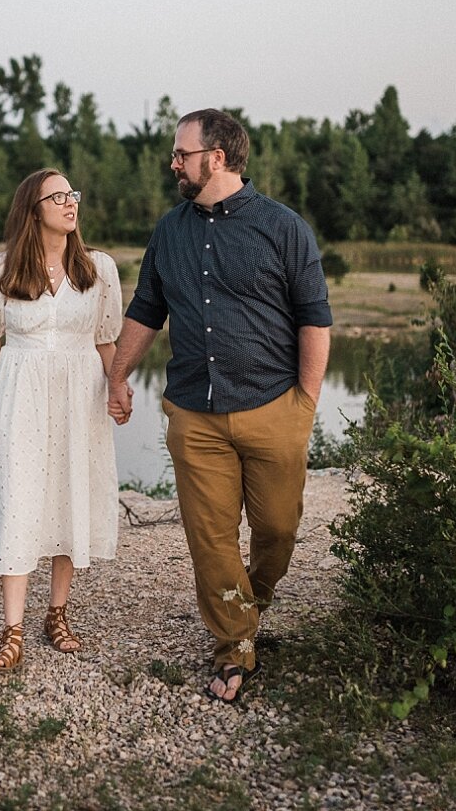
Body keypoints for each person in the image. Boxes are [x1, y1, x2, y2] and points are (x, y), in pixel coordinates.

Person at [106, 108, 331, 703]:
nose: (173, 163)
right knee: (210, 539)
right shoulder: (170, 229)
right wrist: (117, 376)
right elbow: (146, 309)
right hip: (194, 414)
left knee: (278, 530)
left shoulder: (284, 229)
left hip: (274, 406)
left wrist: (305, 404)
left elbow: (315, 320)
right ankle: (235, 645)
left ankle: (251, 600)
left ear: (219, 158)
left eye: (182, 154)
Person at [0, 168, 124, 673]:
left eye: (72, 194)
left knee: (68, 495)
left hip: (81, 394)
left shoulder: (97, 268)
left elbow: (106, 339)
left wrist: (117, 385)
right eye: (56, 197)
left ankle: (57, 613)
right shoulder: (4, 267)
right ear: (33, 211)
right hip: (21, 394)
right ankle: (11, 630)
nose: (69, 203)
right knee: (19, 498)